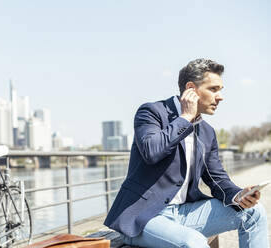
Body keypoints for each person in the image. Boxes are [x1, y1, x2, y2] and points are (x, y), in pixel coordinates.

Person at [104, 58, 269, 248]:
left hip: (185, 213)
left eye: (220, 90)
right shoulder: (151, 112)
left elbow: (217, 179)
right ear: (191, 89)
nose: (220, 96)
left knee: (254, 214)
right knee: (193, 242)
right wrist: (185, 118)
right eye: (214, 89)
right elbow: (152, 151)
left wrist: (239, 195)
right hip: (143, 219)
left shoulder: (207, 131)